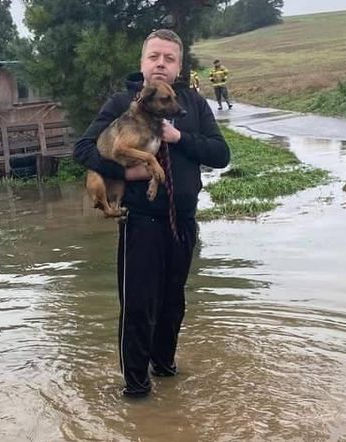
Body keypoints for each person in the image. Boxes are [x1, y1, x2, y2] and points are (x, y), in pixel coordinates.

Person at [73, 29, 230, 398]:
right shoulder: (121, 104)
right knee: (139, 306)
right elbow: (82, 150)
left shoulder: (191, 104)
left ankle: (165, 371)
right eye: (154, 56)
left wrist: (181, 139)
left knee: (174, 302)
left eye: (169, 58)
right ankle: (137, 391)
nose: (161, 63)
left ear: (178, 66)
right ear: (143, 62)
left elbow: (221, 155)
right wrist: (125, 173)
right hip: (140, 221)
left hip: (183, 221)